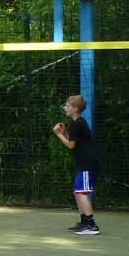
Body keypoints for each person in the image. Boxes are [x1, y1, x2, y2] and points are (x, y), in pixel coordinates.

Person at [53, 94, 100, 235]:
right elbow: (74, 140)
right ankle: (84, 222)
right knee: (77, 192)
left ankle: (92, 226)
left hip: (87, 164)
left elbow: (71, 146)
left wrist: (58, 134)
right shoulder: (76, 123)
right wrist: (65, 132)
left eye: (67, 106)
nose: (64, 108)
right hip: (84, 163)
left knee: (81, 193)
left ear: (75, 108)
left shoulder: (78, 123)